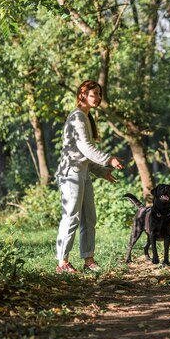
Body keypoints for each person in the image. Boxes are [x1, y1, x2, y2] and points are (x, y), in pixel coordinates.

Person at [55, 80, 124, 273]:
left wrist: (102, 172)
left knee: (89, 218)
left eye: (100, 94)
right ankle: (62, 263)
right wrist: (109, 159)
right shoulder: (77, 117)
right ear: (82, 95)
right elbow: (86, 148)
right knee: (71, 216)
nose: (99, 98)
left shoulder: (85, 116)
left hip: (82, 172)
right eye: (94, 94)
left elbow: (84, 155)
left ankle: (88, 259)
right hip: (71, 173)